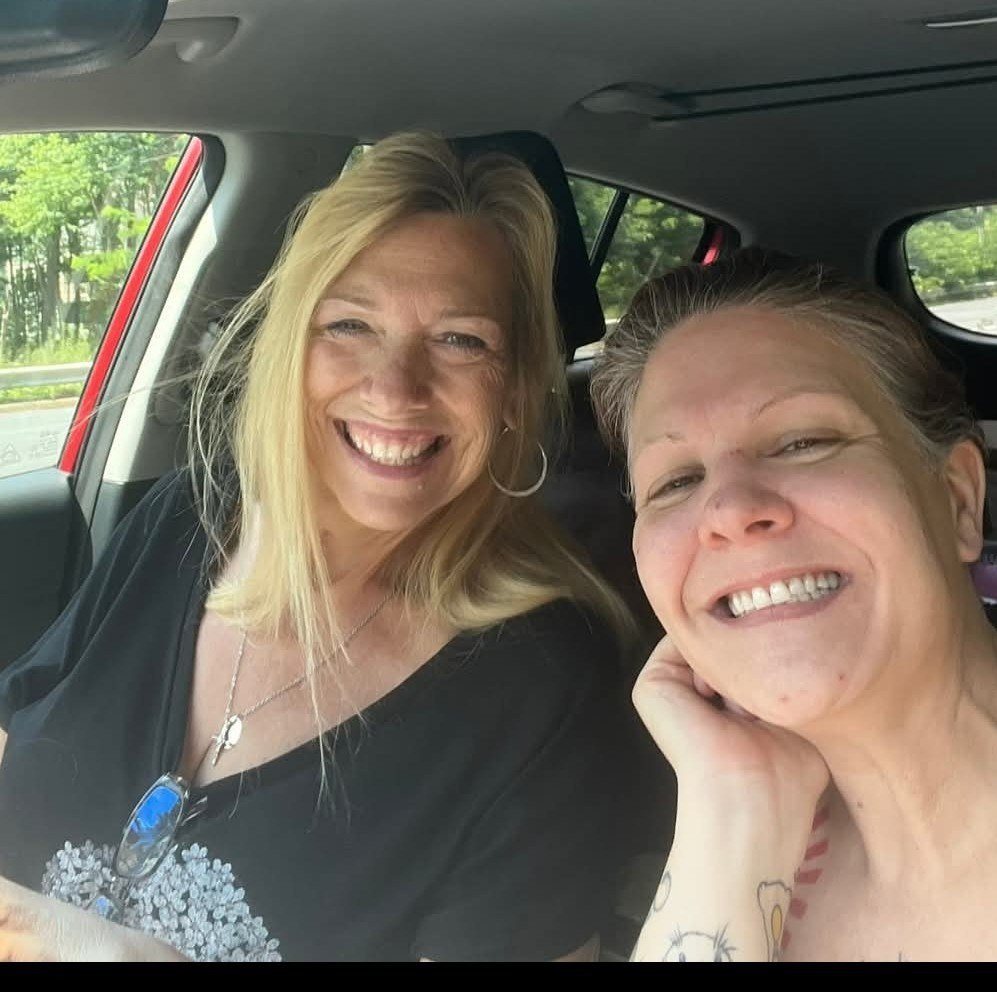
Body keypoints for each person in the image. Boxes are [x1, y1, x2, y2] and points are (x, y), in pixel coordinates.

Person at [0, 132, 636, 962]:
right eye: (349, 324)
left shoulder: (545, 688)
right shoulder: (184, 517)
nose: (395, 388)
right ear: (287, 349)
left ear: (515, 389)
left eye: (461, 340)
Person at [590, 246, 997, 962]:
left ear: (958, 498)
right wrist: (733, 803)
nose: (729, 511)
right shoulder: (736, 859)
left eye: (803, 441)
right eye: (676, 482)